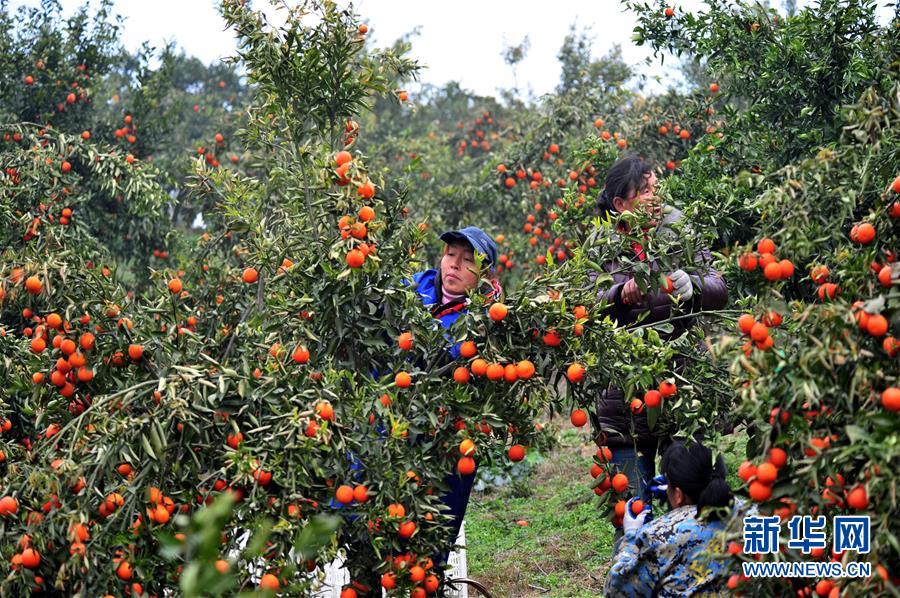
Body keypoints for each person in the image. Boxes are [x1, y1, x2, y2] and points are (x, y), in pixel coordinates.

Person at [592, 156, 727, 503]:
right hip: (622, 401)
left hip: (677, 389)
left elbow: (718, 286)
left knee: (686, 505)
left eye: (655, 188)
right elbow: (586, 304)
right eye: (645, 191)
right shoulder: (601, 245)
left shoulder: (679, 229)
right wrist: (618, 295)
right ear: (621, 204)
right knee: (632, 510)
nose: (655, 197)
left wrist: (693, 286)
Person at [408, 226, 502, 562]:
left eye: (467, 261)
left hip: (451, 437)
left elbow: (454, 356)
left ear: (483, 275)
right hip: (397, 427)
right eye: (450, 256)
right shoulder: (413, 289)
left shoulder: (487, 319)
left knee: (434, 540)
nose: (454, 265)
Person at [604, 440, 735, 597]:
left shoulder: (657, 536)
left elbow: (616, 591)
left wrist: (631, 535)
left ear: (678, 494)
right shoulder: (752, 515)